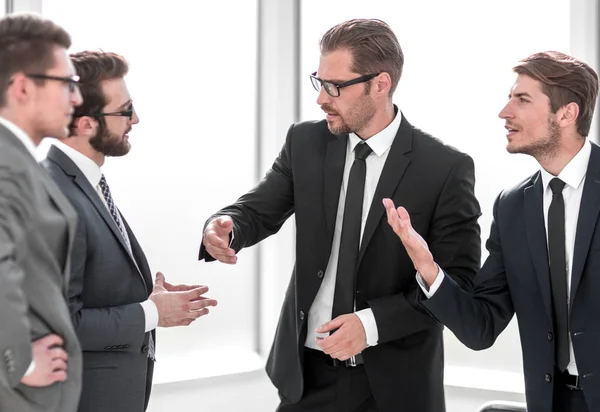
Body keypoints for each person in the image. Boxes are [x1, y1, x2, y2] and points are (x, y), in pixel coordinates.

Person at [200, 18, 481, 411]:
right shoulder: (305, 142)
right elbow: (258, 208)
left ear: (380, 84)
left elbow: (458, 284)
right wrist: (226, 226)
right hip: (305, 377)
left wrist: (371, 325)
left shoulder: (444, 168)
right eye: (319, 81)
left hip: (394, 387)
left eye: (335, 87)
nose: (321, 98)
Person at [384, 51, 599, 412]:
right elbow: (481, 328)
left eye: (522, 99)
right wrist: (428, 267)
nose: (505, 112)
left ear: (567, 113)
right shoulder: (512, 206)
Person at [42, 50, 218, 412]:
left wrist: (149, 298)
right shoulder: (55, 197)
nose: (135, 119)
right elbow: (59, 325)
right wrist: (152, 313)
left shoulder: (83, 184)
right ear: (86, 124)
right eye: (124, 110)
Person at [0, 12, 84, 412]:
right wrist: (18, 359)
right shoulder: (4, 163)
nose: (77, 99)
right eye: (67, 84)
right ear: (21, 88)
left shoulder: (20, 159)